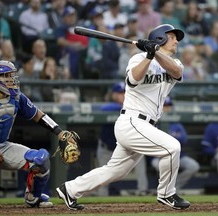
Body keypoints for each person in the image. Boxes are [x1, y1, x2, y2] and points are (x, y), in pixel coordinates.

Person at [56, 24, 190, 210]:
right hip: (132, 122)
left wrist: (156, 53)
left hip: (146, 126)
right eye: (173, 37)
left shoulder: (175, 63)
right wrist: (150, 55)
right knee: (172, 147)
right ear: (160, 38)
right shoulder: (138, 59)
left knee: (116, 171)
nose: (177, 41)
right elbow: (134, 80)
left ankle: (70, 189)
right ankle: (166, 194)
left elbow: (176, 72)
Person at [0, 60, 72, 207]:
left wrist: (59, 131)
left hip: (2, 146)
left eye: (12, 75)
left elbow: (39, 116)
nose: (11, 79)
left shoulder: (17, 97)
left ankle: (33, 197)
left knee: (41, 159)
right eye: (6, 75)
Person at [96, 82, 149, 196]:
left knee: (140, 156)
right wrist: (126, 108)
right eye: (120, 93)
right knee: (103, 176)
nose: (124, 95)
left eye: (125, 92)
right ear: (114, 94)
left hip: (127, 147)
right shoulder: (109, 107)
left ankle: (142, 191)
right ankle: (102, 198)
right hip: (107, 148)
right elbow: (104, 108)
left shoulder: (134, 106)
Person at [151, 96, 200, 192]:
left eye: (168, 106)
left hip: (179, 156)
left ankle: (173, 188)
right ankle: (165, 189)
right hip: (158, 156)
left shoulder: (177, 124)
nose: (166, 108)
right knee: (159, 165)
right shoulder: (154, 123)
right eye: (164, 106)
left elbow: (184, 140)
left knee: (194, 166)